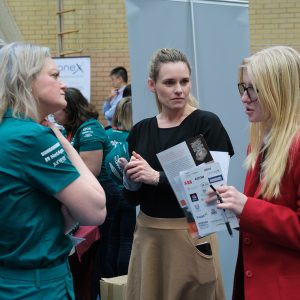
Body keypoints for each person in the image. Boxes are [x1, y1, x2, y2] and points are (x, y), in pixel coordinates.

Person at [119, 48, 234, 300]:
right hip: (149, 235)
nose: (179, 89)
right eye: (169, 82)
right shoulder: (141, 130)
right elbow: (133, 200)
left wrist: (156, 177)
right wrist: (131, 183)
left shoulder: (204, 124)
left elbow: (210, 185)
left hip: (191, 234)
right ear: (152, 85)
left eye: (184, 81)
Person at [0, 42, 106, 299]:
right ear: (26, 80)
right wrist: (62, 141)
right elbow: (95, 209)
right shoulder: (30, 137)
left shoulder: (9, 130)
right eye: (55, 75)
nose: (64, 85)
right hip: (37, 286)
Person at [206, 46, 300, 300]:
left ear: (278, 91)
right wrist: (230, 208)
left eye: (252, 89)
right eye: (242, 88)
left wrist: (246, 207)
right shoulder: (259, 143)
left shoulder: (295, 146)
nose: (244, 98)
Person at [53, 87, 120, 299]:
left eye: (59, 110)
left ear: (71, 109)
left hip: (104, 194)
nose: (55, 114)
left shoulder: (89, 128)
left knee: (105, 249)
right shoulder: (70, 130)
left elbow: (90, 170)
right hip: (90, 194)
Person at [104, 97, 136, 276]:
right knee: (126, 241)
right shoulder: (134, 137)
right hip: (127, 191)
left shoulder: (107, 134)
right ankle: (124, 283)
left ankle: (109, 283)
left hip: (108, 191)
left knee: (111, 240)